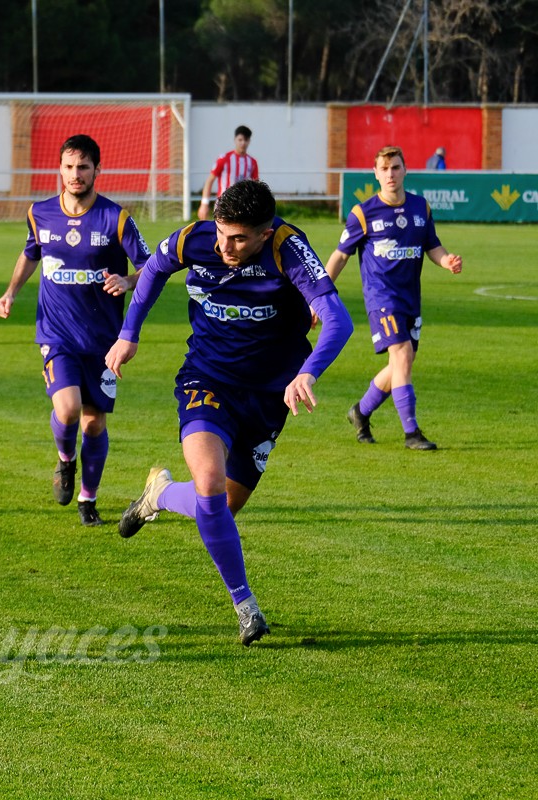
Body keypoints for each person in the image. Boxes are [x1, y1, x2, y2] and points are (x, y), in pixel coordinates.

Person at [106, 180, 353, 646]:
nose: (225, 246)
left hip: (269, 395)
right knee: (211, 485)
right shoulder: (195, 238)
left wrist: (308, 373)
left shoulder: (288, 250)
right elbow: (155, 270)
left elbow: (338, 320)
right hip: (208, 379)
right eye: (222, 233)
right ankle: (246, 607)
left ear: (264, 232)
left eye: (239, 238)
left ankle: (157, 496)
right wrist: (128, 333)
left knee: (221, 508)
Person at [0, 134, 151, 527]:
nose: (75, 174)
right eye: (68, 167)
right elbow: (31, 253)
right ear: (59, 169)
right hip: (56, 335)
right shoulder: (40, 213)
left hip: (103, 341)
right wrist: (11, 292)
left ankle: (88, 499)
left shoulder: (116, 218)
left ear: (98, 169)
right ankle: (66, 462)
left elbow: (151, 267)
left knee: (94, 422)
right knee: (66, 410)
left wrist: (128, 282)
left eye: (83, 167)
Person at [325, 145, 462, 451]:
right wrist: (317, 294)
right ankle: (411, 433)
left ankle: (360, 412)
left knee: (401, 363)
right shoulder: (363, 213)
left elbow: (433, 246)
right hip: (381, 297)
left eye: (396, 168)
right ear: (376, 173)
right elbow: (340, 257)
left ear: (405, 170)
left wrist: (446, 261)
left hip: (410, 298)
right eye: (384, 169)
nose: (390, 174)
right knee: (401, 355)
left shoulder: (420, 208)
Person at [198, 125, 258, 221]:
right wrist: (204, 204)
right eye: (240, 140)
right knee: (221, 233)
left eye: (246, 140)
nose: (243, 143)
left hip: (243, 206)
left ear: (249, 141)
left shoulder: (252, 162)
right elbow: (210, 180)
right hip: (223, 203)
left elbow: (256, 185)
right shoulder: (224, 159)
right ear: (235, 140)